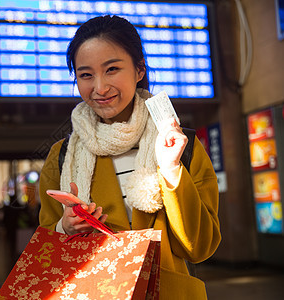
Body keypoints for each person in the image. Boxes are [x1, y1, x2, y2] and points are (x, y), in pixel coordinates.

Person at [38, 15, 221, 300]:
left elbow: (200, 247)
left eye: (112, 69)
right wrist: (65, 226)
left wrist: (172, 170)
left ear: (139, 70)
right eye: (85, 75)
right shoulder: (61, 156)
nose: (99, 87)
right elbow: (48, 239)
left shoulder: (179, 145)